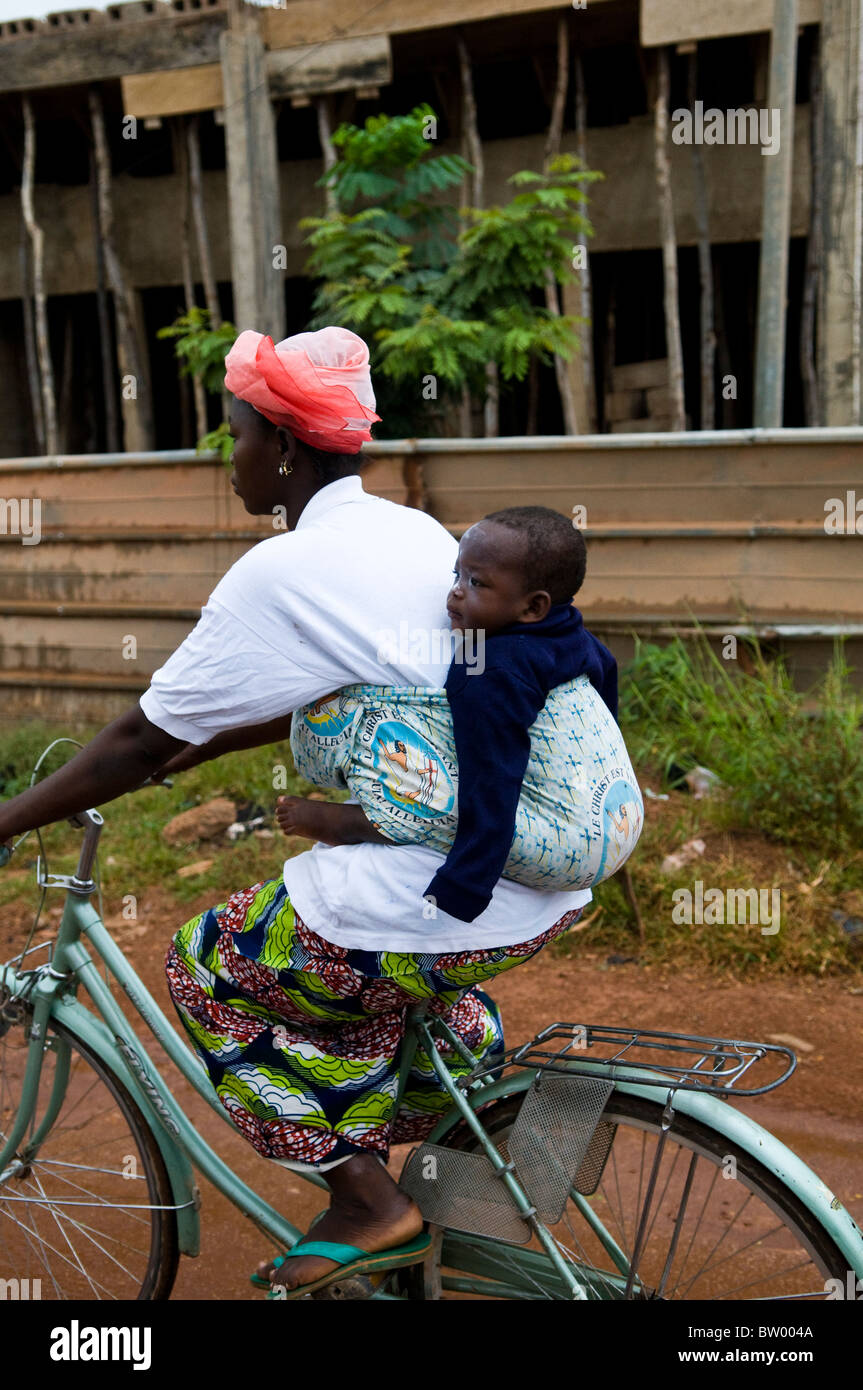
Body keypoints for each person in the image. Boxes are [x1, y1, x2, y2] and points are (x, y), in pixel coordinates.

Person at [0, 326, 592, 1300]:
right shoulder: (408, 530)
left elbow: (136, 739)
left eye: (234, 434)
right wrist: (205, 746)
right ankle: (465, 1175)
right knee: (357, 980)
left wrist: (12, 816)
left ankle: (370, 1205)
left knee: (212, 963)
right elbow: (345, 682)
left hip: (442, 888)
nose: (228, 456)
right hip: (534, 875)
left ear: (279, 445)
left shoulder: (278, 571)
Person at [275, 505, 619, 923]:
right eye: (456, 575)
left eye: (476, 583)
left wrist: (462, 888)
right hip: (615, 816)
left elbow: (493, 779)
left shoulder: (487, 670)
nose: (456, 592)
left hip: (572, 854)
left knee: (409, 748)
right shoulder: (571, 633)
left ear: (532, 608)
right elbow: (607, 679)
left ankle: (354, 822)